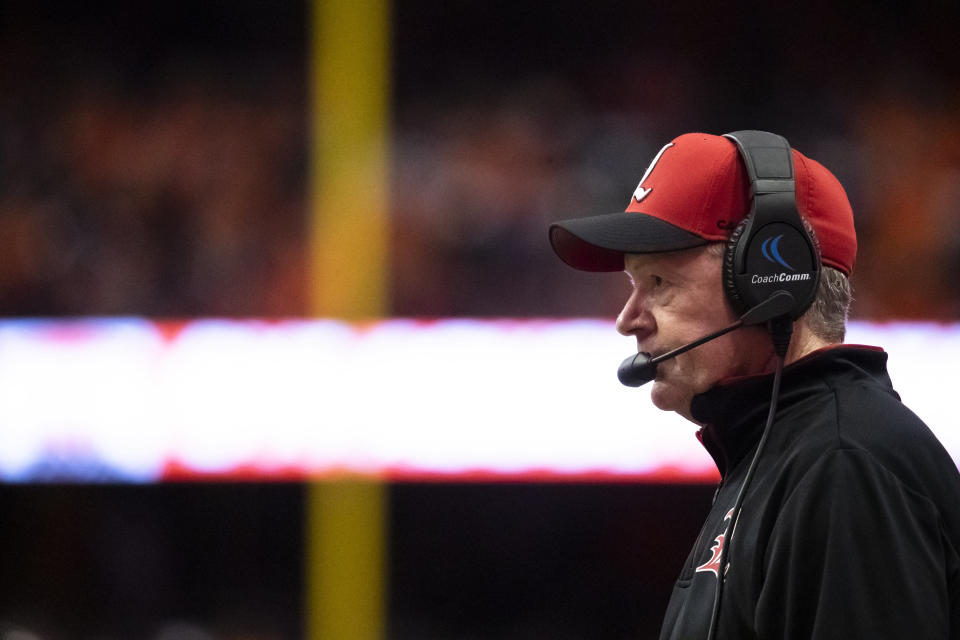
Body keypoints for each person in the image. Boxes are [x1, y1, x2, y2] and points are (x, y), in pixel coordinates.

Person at [548, 131, 960, 639]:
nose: (628, 320)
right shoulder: (785, 453)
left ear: (769, 278)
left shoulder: (842, 462)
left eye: (659, 284)